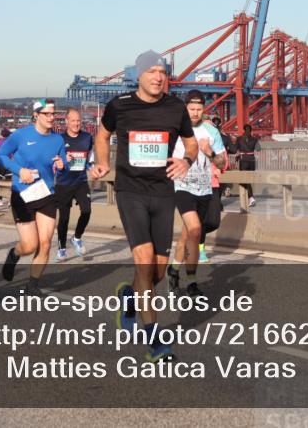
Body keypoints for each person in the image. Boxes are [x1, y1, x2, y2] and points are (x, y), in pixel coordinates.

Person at [89, 50, 196, 363]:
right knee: (145, 261)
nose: (158, 76)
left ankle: (129, 297)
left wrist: (186, 160)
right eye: (151, 71)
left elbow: (190, 143)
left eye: (162, 72)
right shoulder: (119, 105)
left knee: (158, 273)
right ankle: (155, 341)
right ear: (139, 75)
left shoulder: (176, 107)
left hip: (163, 192)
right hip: (130, 191)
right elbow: (102, 135)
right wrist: (103, 161)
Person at [0, 99, 67, 295]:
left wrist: (62, 165)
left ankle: (32, 285)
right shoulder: (21, 135)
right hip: (22, 194)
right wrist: (19, 170)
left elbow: (64, 166)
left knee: (45, 243)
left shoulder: (58, 140)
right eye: (47, 114)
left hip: (46, 194)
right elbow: (0, 156)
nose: (52, 118)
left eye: (54, 114)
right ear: (36, 115)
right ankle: (15, 253)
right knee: (30, 245)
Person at [168, 91, 226, 294]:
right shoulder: (174, 129)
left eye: (199, 109)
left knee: (188, 234)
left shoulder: (211, 132)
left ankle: (174, 269)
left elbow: (222, 162)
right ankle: (192, 282)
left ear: (204, 109)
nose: (194, 113)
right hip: (181, 185)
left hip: (204, 188)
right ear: (185, 108)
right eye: (191, 109)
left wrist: (209, 151)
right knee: (194, 229)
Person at [55, 108, 94, 261]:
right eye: (73, 121)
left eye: (78, 121)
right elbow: (53, 159)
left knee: (87, 210)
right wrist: (61, 162)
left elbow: (90, 156)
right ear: (66, 122)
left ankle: (77, 237)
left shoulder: (87, 137)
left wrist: (92, 166)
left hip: (81, 181)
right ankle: (62, 249)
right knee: (64, 219)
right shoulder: (59, 139)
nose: (76, 123)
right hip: (64, 183)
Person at [235, 124, 260, 208]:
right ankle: (250, 198)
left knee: (244, 179)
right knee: (247, 180)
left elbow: (234, 149)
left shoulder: (239, 139)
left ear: (244, 130)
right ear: (251, 130)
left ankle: (250, 197)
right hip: (252, 161)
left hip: (244, 160)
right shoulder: (255, 139)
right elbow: (259, 149)